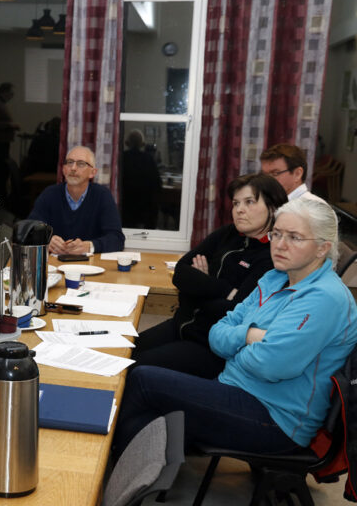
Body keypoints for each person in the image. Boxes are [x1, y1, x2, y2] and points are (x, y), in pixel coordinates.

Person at [114, 197, 357, 459]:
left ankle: (116, 469)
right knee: (144, 411)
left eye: (294, 237)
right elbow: (217, 332)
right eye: (276, 234)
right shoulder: (275, 277)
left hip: (276, 418)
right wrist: (249, 335)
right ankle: (124, 468)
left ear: (322, 248)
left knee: (144, 380)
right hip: (234, 387)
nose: (280, 244)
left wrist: (236, 349)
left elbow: (270, 365)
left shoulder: (325, 298)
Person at [131, 173, 288, 378]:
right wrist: (224, 289)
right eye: (236, 203)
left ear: (273, 207)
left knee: (134, 369)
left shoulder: (272, 257)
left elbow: (234, 310)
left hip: (211, 346)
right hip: (181, 324)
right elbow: (180, 273)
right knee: (121, 352)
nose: (239, 210)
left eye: (249, 202)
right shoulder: (227, 234)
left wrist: (197, 287)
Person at [27, 145, 124, 255]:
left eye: (81, 164)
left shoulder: (102, 196)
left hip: (90, 264)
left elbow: (117, 238)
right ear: (63, 169)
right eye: (69, 162)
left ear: (92, 173)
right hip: (54, 263)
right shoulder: (49, 194)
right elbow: (29, 230)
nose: (73, 168)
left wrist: (90, 246)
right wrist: (46, 240)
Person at [120, 129, 162, 229]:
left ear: (127, 143)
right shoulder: (148, 158)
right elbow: (157, 183)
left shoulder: (122, 157)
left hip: (126, 204)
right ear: (142, 144)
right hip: (145, 206)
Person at [259, 143, 324, 202]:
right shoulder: (271, 202)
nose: (267, 180)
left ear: (297, 174)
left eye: (275, 173)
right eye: (264, 174)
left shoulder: (314, 206)